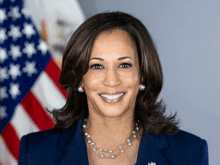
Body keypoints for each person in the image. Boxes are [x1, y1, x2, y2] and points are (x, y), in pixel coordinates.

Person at [18, 11, 208, 165]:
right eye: (97, 66)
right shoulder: (36, 153)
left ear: (142, 74)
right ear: (80, 79)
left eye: (124, 65)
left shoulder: (189, 152)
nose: (112, 80)